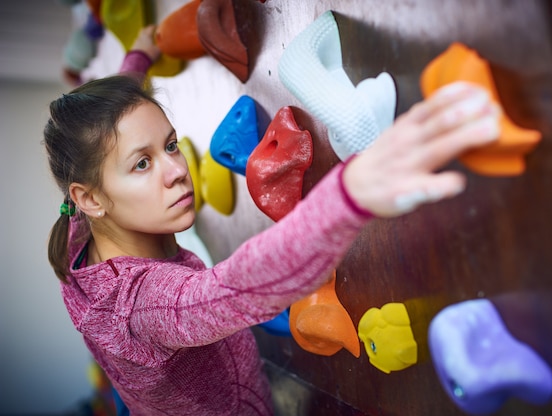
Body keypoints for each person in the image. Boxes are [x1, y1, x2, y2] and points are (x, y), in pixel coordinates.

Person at [44, 23, 501, 416]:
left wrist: (138, 59)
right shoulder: (145, 307)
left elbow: (114, 126)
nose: (177, 170)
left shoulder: (77, 228)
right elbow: (233, 289)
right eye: (141, 165)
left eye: (168, 145)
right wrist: (349, 193)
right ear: (90, 198)